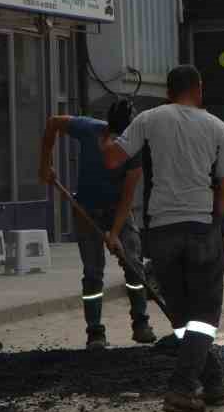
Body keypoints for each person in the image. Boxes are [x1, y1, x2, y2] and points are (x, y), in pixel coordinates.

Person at [104, 65, 224, 412]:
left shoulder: (150, 119)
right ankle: (181, 388)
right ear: (199, 88)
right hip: (200, 227)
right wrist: (216, 225)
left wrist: (112, 130)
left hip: (160, 231)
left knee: (181, 315)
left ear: (168, 91)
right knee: (205, 316)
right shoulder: (217, 127)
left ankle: (214, 384)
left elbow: (113, 157)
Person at [40, 100, 155, 350]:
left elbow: (127, 198)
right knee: (92, 272)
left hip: (118, 211)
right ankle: (95, 333)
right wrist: (45, 162)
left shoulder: (134, 150)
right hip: (86, 210)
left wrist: (114, 233)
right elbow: (53, 123)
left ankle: (141, 323)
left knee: (133, 263)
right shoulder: (89, 129)